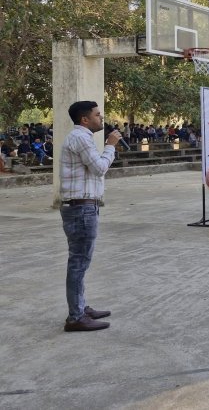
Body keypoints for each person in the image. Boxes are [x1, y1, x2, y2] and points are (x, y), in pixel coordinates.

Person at [59, 101, 121, 332]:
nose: (101, 118)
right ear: (85, 119)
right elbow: (99, 168)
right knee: (78, 263)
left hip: (82, 207)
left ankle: (80, 307)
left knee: (80, 262)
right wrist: (110, 146)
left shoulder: (80, 137)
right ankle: (75, 317)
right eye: (97, 115)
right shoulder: (81, 138)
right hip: (80, 209)